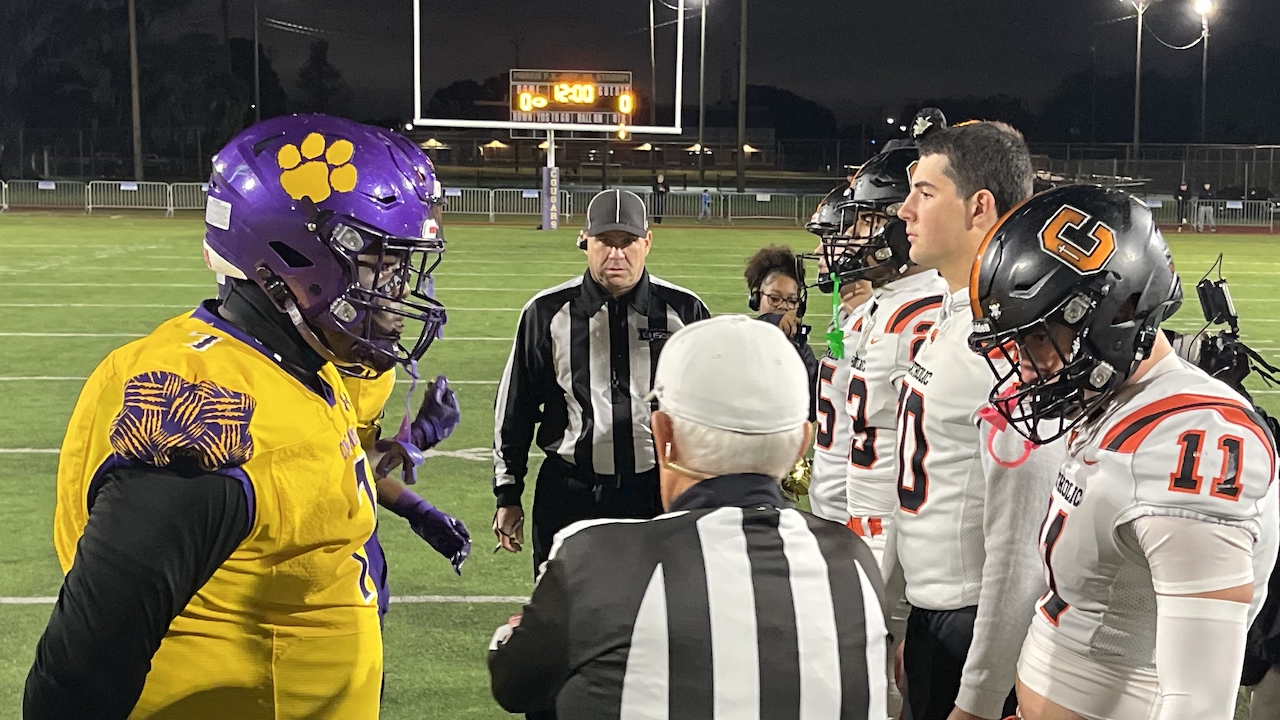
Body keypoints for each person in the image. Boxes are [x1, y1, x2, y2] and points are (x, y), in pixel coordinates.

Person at [24, 114, 460, 719]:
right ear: (294, 256)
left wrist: (412, 467)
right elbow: (80, 673)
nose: (396, 297)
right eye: (380, 268)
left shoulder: (299, 364)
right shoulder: (207, 410)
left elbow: (314, 479)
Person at [969, 183, 1279, 720]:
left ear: (1116, 312)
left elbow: (1197, 704)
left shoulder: (1193, 439)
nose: (1024, 367)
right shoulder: (1119, 401)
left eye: (1037, 338)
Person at [487, 315, 888, 720]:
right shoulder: (853, 561)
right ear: (803, 442)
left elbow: (515, 684)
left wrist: (514, 633)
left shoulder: (595, 559)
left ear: (664, 436)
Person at [886, 120, 1059, 720]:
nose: (905, 210)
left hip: (976, 623)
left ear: (979, 206)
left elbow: (1022, 545)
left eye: (925, 192)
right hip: (941, 613)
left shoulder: (1014, 339)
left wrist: (980, 694)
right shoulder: (958, 313)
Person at [492, 188, 710, 576]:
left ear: (647, 242)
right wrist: (508, 494)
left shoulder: (684, 311)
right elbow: (516, 407)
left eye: (627, 242)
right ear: (585, 241)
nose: (616, 254)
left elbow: (710, 409)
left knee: (657, 607)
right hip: (570, 494)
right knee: (564, 609)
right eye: (605, 242)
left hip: (656, 493)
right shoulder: (546, 313)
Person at [820, 143, 947, 566]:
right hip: (863, 523)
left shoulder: (925, 315)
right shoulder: (883, 304)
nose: (854, 234)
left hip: (894, 537)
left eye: (869, 220)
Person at [803, 185, 874, 524]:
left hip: (856, 514)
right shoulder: (847, 316)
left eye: (830, 237)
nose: (819, 250)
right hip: (832, 503)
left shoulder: (877, 327)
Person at [743, 244, 818, 413]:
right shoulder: (746, 338)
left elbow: (812, 405)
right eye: (774, 298)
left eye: (792, 301)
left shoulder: (801, 346)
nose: (783, 306)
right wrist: (774, 322)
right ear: (756, 299)